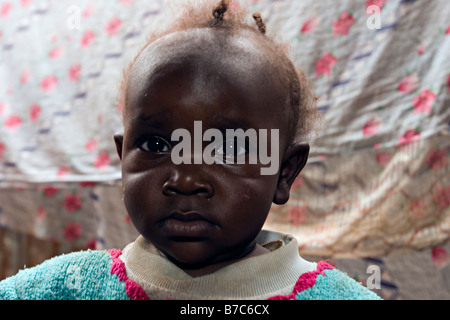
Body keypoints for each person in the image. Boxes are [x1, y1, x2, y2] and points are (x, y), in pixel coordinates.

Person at [0, 0, 380, 300]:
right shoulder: (68, 288)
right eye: (155, 144)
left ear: (284, 173)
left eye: (228, 147)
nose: (185, 178)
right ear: (122, 158)